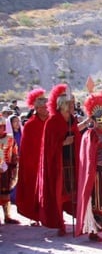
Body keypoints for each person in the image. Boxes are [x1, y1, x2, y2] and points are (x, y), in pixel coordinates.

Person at [37, 83, 80, 236]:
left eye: (73, 103)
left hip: (72, 161)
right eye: (71, 103)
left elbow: (77, 136)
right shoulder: (52, 121)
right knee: (59, 193)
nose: (73, 105)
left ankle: (77, 221)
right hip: (58, 163)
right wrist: (63, 143)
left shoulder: (72, 120)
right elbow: (49, 146)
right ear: (63, 105)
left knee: (72, 192)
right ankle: (60, 223)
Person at [75, 92, 102, 242]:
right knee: (96, 203)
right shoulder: (91, 134)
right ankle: (93, 231)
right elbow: (87, 158)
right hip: (96, 175)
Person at [15, 88, 49, 225]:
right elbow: (27, 149)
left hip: (48, 162)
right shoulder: (30, 125)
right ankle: (34, 216)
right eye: (44, 108)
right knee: (33, 190)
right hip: (33, 164)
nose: (47, 110)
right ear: (38, 109)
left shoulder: (51, 121)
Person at [0, 114, 19, 225]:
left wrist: (13, 163)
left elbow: (15, 154)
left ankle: (7, 216)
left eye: (1, 126)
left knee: (5, 194)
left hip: (6, 171)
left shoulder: (10, 139)